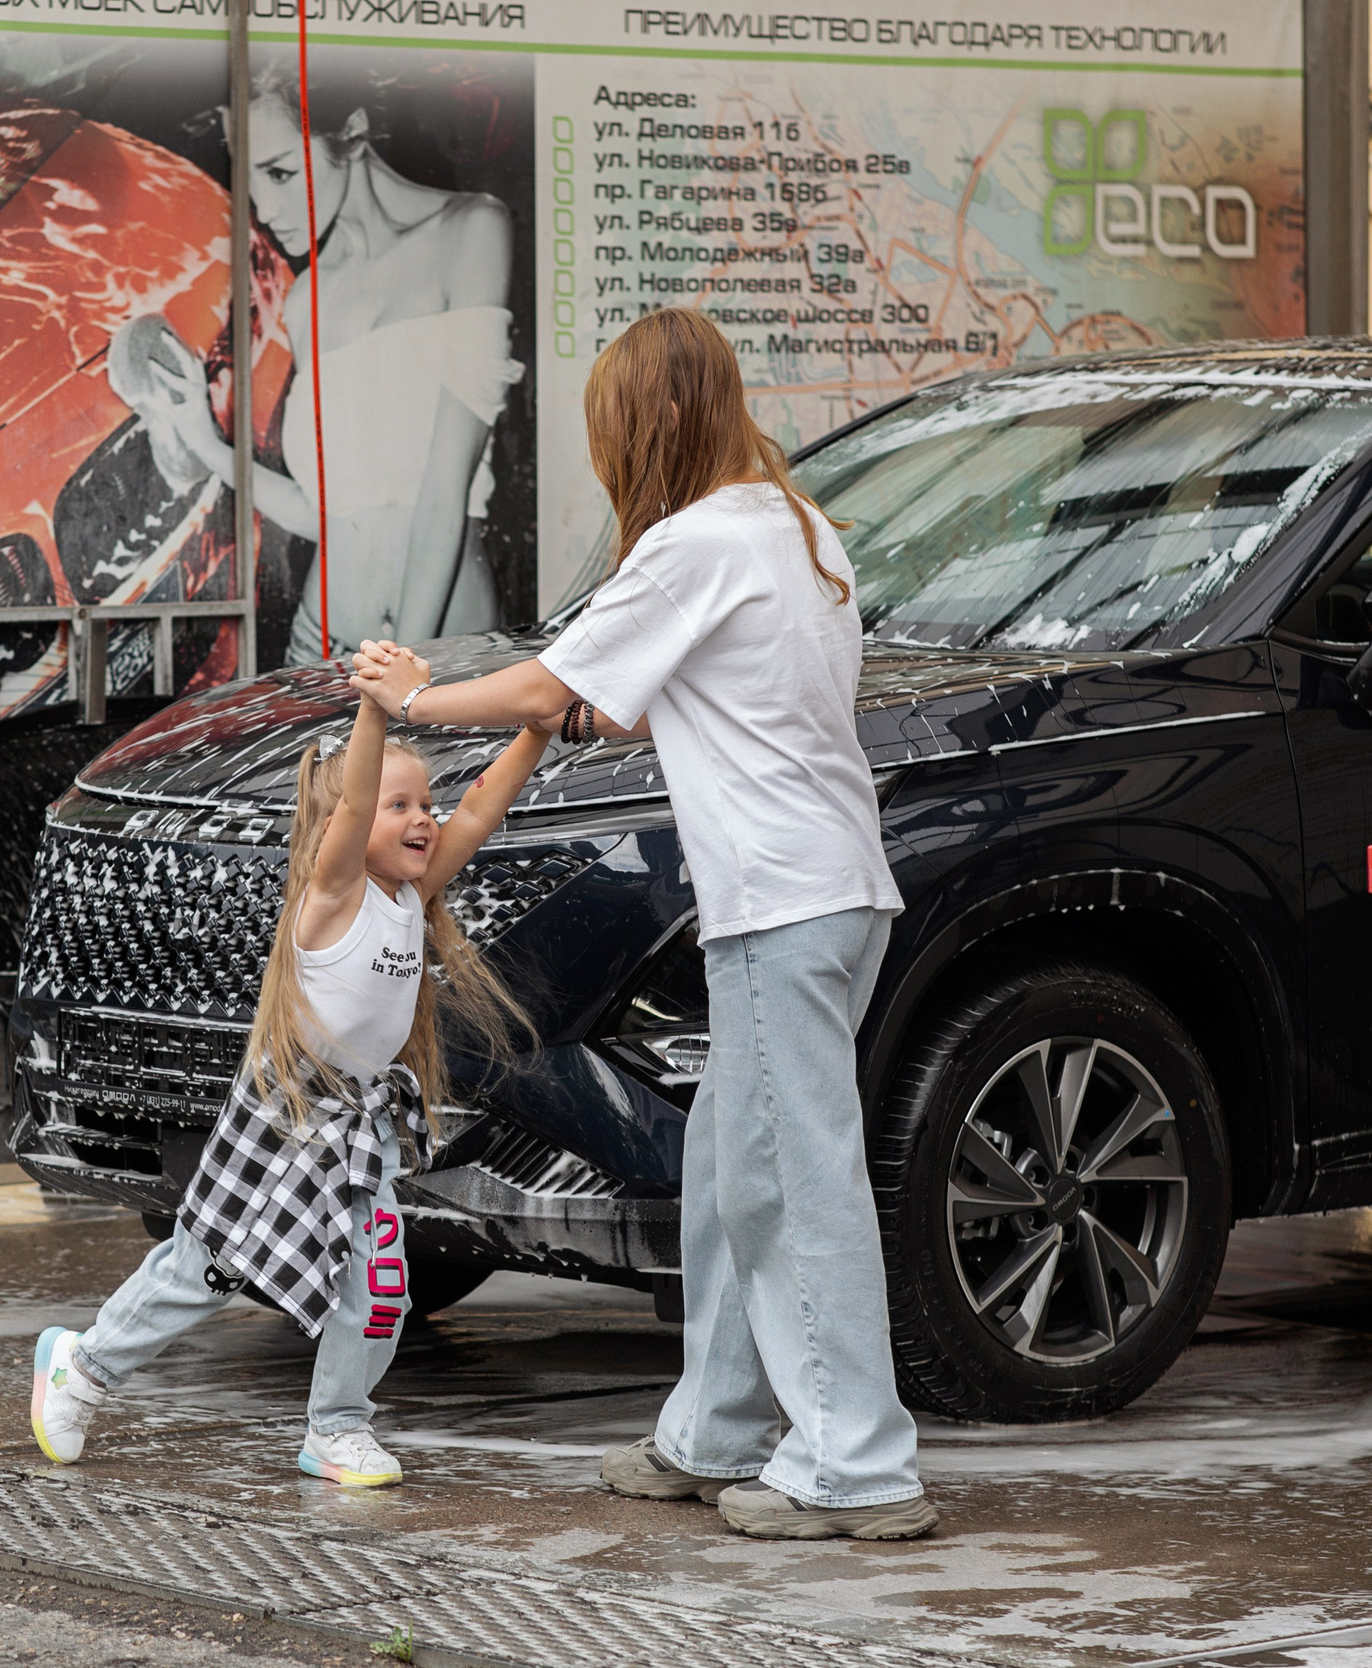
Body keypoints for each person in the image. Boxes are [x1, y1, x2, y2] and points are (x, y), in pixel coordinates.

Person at [349, 308, 935, 1540]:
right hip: (822, 894)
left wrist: (417, 695)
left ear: (652, 419)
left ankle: (854, 1464)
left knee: (788, 1181)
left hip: (780, 901)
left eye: (611, 429)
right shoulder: (791, 525)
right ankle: (711, 1430)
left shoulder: (697, 540)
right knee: (735, 1170)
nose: (608, 457)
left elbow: (550, 684)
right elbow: (632, 701)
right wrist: (559, 708)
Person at [29, 687, 545, 1486]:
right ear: (347, 819)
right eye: (397, 803)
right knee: (204, 1269)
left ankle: (337, 1429)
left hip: (360, 1121)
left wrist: (535, 731)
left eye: (425, 803)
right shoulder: (330, 898)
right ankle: (83, 1368)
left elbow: (476, 813)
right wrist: (377, 710)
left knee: (378, 1287)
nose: (423, 818)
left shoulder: (410, 894)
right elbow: (352, 813)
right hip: (290, 1110)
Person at [111, 67, 519, 663]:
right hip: (320, 648)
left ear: (352, 132)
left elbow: (441, 494)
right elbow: (328, 516)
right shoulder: (304, 302)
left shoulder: (471, 232)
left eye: (280, 171)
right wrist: (205, 439)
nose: (264, 206)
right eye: (249, 180)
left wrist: (399, 683)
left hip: (441, 659)